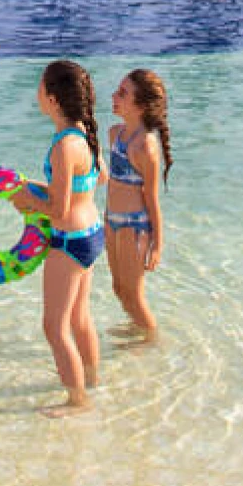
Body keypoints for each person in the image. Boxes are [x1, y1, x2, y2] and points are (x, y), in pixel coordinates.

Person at [9, 59, 102, 416]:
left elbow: (59, 212)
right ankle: (91, 379)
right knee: (81, 317)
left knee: (54, 326)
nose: (36, 93)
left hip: (69, 240)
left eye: (39, 86)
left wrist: (29, 202)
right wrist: (40, 189)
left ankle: (78, 400)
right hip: (91, 234)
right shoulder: (85, 135)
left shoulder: (64, 146)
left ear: (52, 99)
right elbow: (87, 186)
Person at [105, 68, 170, 343]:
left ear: (141, 106)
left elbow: (152, 197)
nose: (114, 96)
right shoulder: (115, 134)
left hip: (134, 226)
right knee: (119, 288)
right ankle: (138, 327)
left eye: (123, 93)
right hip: (111, 220)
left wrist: (157, 242)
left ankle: (152, 340)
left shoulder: (146, 146)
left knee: (134, 293)